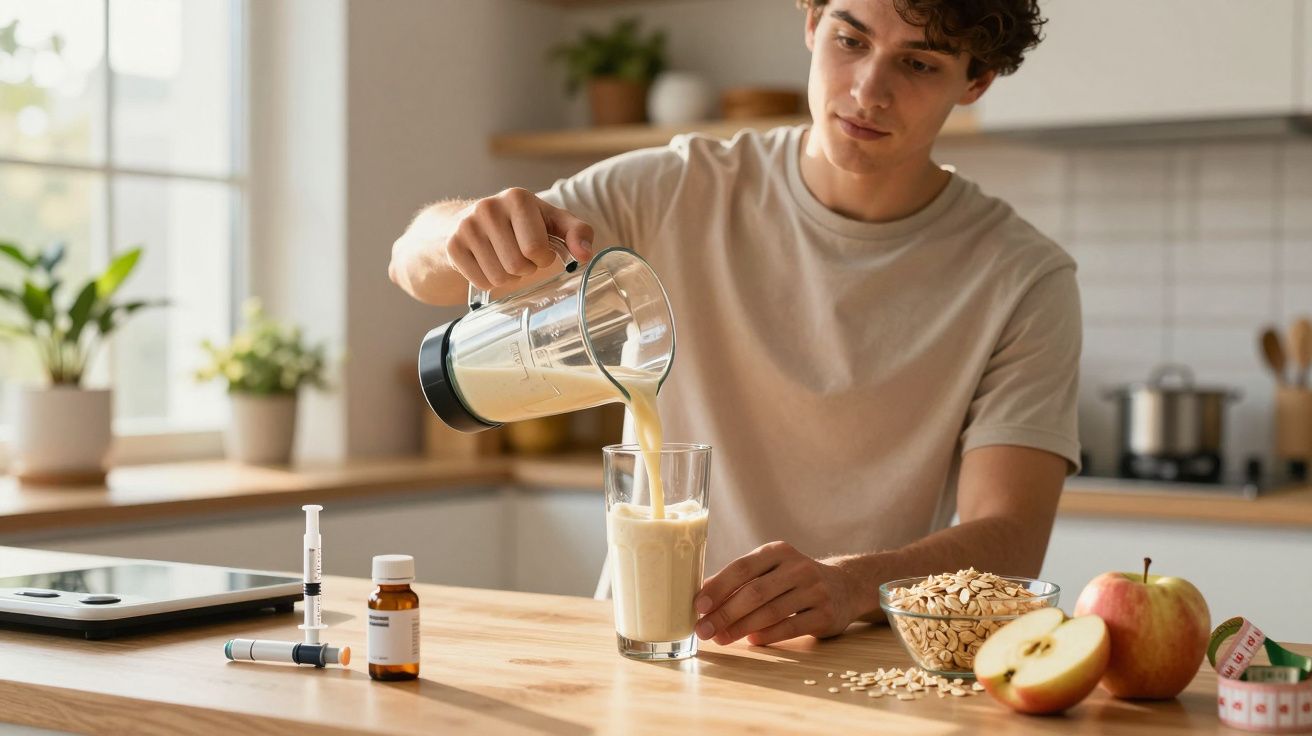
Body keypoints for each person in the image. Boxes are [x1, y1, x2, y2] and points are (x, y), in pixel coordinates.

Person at [389, 0, 1080, 649]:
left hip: (856, 660)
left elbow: (1012, 538)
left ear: (977, 79)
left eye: (920, 63)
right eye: (851, 40)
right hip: (653, 646)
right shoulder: (676, 189)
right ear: (811, 23)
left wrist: (849, 584)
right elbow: (412, 266)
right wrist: (462, 229)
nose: (869, 90)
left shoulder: (1022, 276)